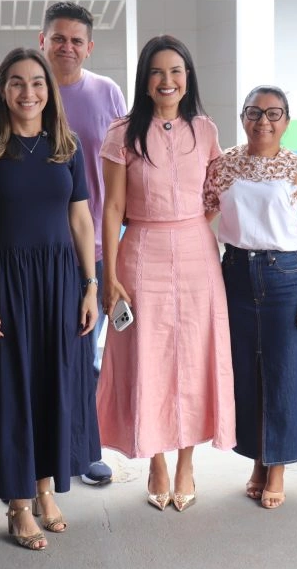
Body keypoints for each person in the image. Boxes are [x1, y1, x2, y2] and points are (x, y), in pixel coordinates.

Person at [0, 48, 98, 551]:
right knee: (12, 385)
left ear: (49, 91)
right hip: (6, 279)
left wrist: (90, 285)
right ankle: (17, 503)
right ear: (2, 90)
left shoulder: (66, 146)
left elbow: (81, 219)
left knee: (52, 380)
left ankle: (45, 489)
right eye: (16, 82)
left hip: (60, 280)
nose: (28, 92)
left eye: (37, 82)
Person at [97, 35, 235, 512]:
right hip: (141, 252)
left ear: (188, 77)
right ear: (145, 80)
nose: (167, 80)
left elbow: (215, 195)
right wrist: (108, 273)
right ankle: (155, 459)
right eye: (157, 72)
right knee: (148, 356)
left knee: (195, 356)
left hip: (197, 255)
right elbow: (112, 206)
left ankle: (186, 463)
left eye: (176, 71)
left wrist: (190, 224)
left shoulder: (206, 130)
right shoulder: (122, 133)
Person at [203, 85, 297, 510]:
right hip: (236, 272)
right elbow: (200, 218)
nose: (263, 121)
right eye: (254, 112)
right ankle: (258, 459)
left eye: (274, 113)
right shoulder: (224, 165)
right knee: (246, 370)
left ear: (287, 121)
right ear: (243, 118)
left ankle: (277, 467)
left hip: (286, 275)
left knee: (284, 372)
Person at [39, 1, 127, 486]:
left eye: (76, 40)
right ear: (43, 41)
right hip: (37, 250)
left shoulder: (107, 93)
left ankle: (83, 447)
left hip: (94, 250)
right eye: (58, 38)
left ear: (89, 47)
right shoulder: (29, 92)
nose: (67, 47)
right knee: (44, 356)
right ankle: (44, 451)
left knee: (87, 355)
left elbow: (126, 167)